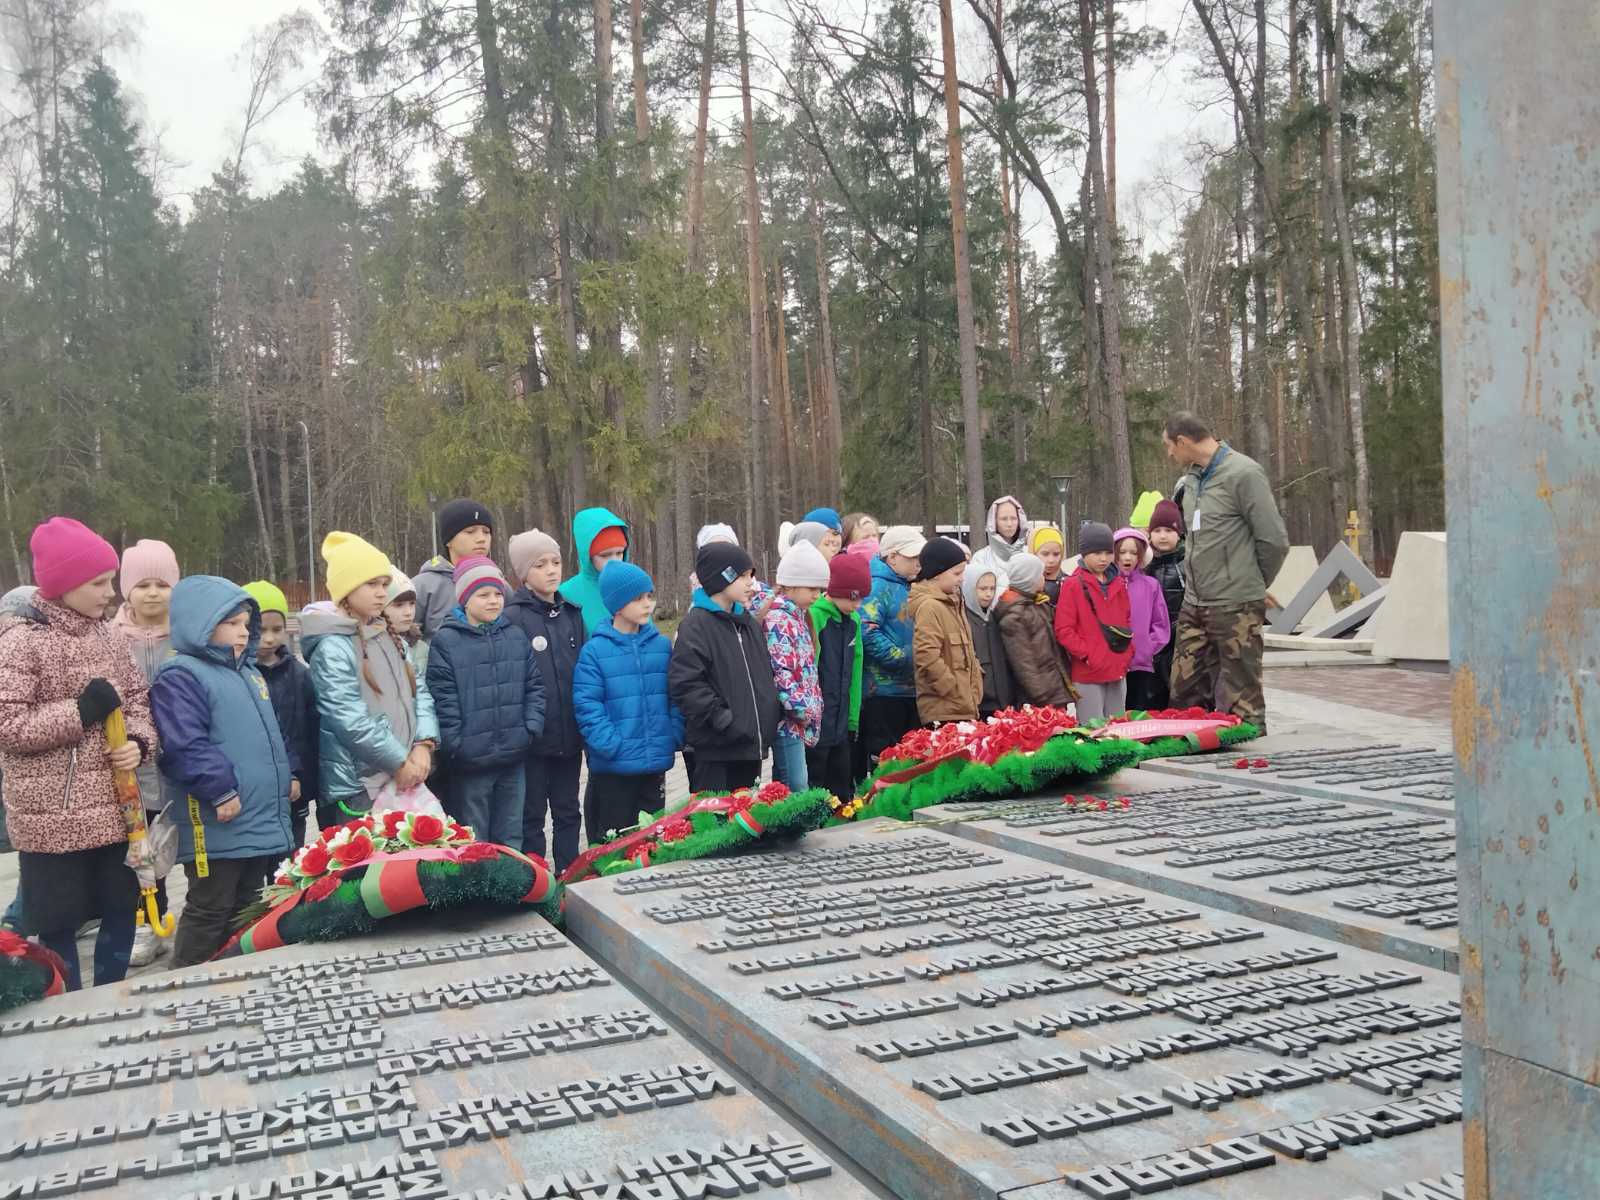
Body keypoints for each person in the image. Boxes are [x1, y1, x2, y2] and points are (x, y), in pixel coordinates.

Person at [0, 517, 155, 990]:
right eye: (99, 583)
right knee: (59, 923)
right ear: (65, 584)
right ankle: (66, 1001)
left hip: (114, 810)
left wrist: (139, 743)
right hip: (52, 820)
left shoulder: (110, 636)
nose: (111, 592)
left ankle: (111, 995)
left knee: (119, 911)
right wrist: (80, 711)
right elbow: (8, 727)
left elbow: (136, 701)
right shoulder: (21, 640)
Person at [152, 577, 295, 968]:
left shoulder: (247, 673)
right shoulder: (182, 675)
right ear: (200, 623)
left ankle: (236, 976)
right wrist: (220, 789)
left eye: (245, 624)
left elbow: (269, 736)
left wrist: (288, 776)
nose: (243, 632)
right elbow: (183, 742)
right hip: (217, 817)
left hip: (256, 815)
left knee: (248, 903)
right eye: (231, 623)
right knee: (211, 905)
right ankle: (184, 983)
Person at [303, 532, 439, 829]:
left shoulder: (391, 639)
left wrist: (423, 745)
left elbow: (421, 694)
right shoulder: (333, 647)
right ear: (346, 589)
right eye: (371, 584)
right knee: (366, 873)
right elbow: (348, 718)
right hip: (359, 788)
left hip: (405, 775)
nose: (381, 592)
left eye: (384, 584)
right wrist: (398, 762)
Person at [1163, 412, 1289, 730]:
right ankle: (1189, 764)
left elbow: (1273, 540)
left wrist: (1252, 583)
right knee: (1182, 695)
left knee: (1242, 703)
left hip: (1236, 604)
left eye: (1169, 446)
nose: (1169, 454)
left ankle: (1249, 770)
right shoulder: (1190, 481)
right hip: (1195, 602)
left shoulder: (1244, 473)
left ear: (1183, 441)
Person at [424, 557, 543, 848]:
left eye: (498, 593)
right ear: (465, 599)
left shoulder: (515, 637)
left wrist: (530, 729)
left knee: (511, 835)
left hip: (513, 755)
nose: (494, 601)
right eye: (484, 595)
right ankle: (478, 894)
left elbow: (534, 686)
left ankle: (511, 892)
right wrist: (457, 744)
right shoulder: (446, 641)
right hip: (471, 763)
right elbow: (443, 697)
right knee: (473, 839)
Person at [572, 561, 682, 843]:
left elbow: (675, 696)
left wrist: (672, 736)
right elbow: (587, 706)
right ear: (618, 605)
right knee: (614, 842)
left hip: (653, 764)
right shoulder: (595, 651)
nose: (647, 604)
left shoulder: (660, 646)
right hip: (615, 769)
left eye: (649, 596)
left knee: (652, 840)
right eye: (637, 598)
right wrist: (611, 745)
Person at [110, 538, 180, 967]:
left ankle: (189, 917)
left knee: (184, 842)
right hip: (134, 762)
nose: (152, 593)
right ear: (126, 590)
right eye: (142, 584)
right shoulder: (112, 638)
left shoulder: (187, 631)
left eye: (162, 583)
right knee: (141, 847)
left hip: (180, 756)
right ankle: (147, 920)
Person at [503, 528, 586, 875]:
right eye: (541, 565)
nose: (552, 570)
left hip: (569, 736)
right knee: (532, 813)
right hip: (534, 740)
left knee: (568, 810)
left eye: (556, 562)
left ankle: (569, 872)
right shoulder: (513, 617)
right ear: (524, 574)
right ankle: (535, 876)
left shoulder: (571, 613)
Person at [669, 541, 783, 794]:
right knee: (718, 824)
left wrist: (770, 713)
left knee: (747, 822)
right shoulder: (696, 626)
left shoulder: (748, 624)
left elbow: (764, 675)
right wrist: (723, 720)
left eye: (751, 575)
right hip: (716, 751)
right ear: (722, 578)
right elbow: (686, 684)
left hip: (749, 748)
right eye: (742, 576)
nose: (750, 584)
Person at [242, 581, 319, 850]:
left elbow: (312, 730)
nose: (270, 638)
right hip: (255, 791)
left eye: (277, 629)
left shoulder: (300, 674)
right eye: (260, 630)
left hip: (296, 788)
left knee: (292, 853)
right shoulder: (240, 675)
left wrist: (305, 777)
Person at [763, 542, 828, 791]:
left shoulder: (799, 618)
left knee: (787, 784)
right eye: (811, 588)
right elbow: (782, 673)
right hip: (788, 721)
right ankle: (791, 831)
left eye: (820, 588)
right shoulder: (779, 621)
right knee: (796, 786)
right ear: (789, 584)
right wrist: (804, 710)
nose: (817, 595)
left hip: (798, 720)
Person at [1054, 522, 1134, 722]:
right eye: (1097, 553)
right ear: (1084, 553)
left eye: (1108, 552)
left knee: (1118, 729)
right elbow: (1064, 629)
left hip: (1117, 669)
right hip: (1088, 673)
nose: (1103, 558)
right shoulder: (1072, 585)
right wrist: (1089, 655)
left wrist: (1127, 654)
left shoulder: (1119, 583)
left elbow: (1126, 621)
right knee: (1093, 731)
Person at [859, 525, 925, 762]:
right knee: (887, 758)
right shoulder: (877, 586)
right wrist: (903, 657)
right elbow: (866, 629)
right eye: (912, 557)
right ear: (893, 557)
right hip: (883, 690)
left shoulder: (910, 585)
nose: (918, 562)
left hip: (910, 688)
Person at [809, 552, 868, 798]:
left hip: (842, 725)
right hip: (817, 725)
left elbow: (855, 672)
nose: (858, 605)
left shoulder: (854, 621)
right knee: (815, 787)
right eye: (853, 598)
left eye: (861, 598)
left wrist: (853, 719)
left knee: (843, 790)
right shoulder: (815, 617)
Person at [908, 537, 982, 726]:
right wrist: (951, 687)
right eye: (957, 573)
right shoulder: (930, 607)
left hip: (963, 707)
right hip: (943, 710)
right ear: (937, 573)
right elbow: (926, 655)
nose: (962, 578)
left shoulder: (954, 603)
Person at [995, 552, 1077, 709]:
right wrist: (1041, 694)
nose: (1043, 578)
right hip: (1041, 696)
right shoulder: (1015, 616)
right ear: (1029, 579)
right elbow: (1023, 661)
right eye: (1040, 574)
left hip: (1053, 686)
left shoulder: (1038, 603)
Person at [413, 498, 495, 639]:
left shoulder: (498, 583)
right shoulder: (423, 586)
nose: (481, 539)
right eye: (470, 531)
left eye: (486, 532)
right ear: (449, 540)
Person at [1112, 527, 1173, 713]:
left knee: (1136, 712)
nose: (1127, 557)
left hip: (1141, 663)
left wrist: (1148, 647)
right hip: (1112, 664)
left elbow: (1161, 624)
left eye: (1133, 552)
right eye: (1122, 552)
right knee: (1114, 714)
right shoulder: (1106, 585)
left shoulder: (1151, 586)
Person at [1144, 499, 1187, 711]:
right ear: (1149, 534)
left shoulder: (1187, 564)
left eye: (1169, 530)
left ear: (1179, 534)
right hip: (1151, 645)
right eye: (1158, 530)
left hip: (1180, 643)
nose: (1163, 536)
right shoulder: (1143, 566)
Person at [561, 506, 630, 634]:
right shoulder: (566, 595)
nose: (614, 561)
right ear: (588, 556)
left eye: (619, 553)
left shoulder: (633, 586)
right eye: (605, 555)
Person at [961, 561, 1014, 717]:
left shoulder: (995, 616)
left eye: (992, 588)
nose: (988, 594)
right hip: (980, 701)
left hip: (1003, 699)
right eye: (982, 589)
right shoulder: (963, 619)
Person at [384, 570, 428, 677]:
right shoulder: (372, 646)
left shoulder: (422, 647)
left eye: (412, 604)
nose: (408, 612)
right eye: (398, 605)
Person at [971, 495, 1029, 573]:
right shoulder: (981, 557)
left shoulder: (1029, 554)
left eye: (1013, 518)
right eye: (1004, 519)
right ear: (994, 522)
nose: (1009, 524)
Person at [1028, 525, 1067, 605]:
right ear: (1033, 553)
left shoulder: (1069, 582)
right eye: (1045, 554)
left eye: (1056, 554)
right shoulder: (1025, 584)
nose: (1051, 560)